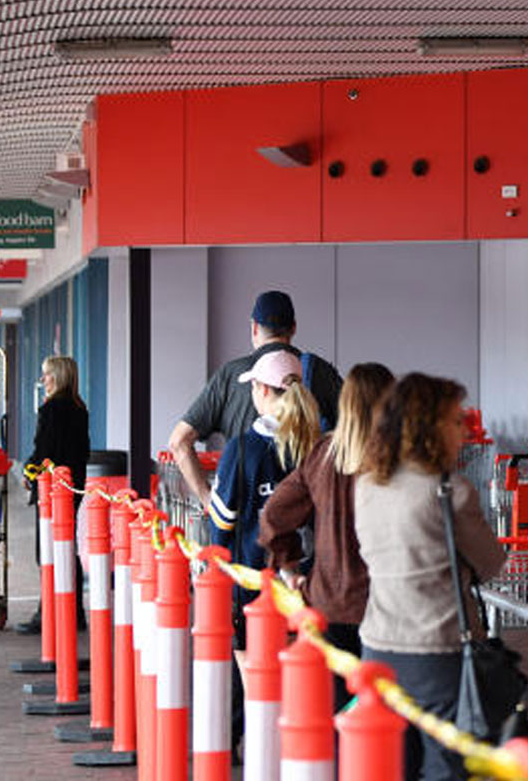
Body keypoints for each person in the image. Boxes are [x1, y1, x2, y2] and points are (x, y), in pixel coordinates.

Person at [355, 373, 506, 781]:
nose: (464, 432)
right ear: (429, 428)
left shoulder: (366, 486)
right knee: (445, 768)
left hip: (378, 646)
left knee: (388, 766)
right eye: (456, 421)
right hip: (439, 651)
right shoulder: (450, 491)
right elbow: (491, 563)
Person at [206, 349, 322, 760]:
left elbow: (222, 520)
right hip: (305, 585)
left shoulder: (243, 450)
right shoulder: (315, 447)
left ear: (261, 390)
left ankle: (261, 758)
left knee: (256, 686)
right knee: (297, 682)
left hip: (250, 584)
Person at [258, 362, 394, 711]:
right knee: (386, 716)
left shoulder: (322, 454)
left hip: (329, 603)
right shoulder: (397, 460)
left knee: (337, 714)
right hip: (388, 608)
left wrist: (290, 569)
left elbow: (274, 515)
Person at [169, 290, 343, 505]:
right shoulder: (319, 372)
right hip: (307, 514)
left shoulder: (230, 375)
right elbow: (355, 438)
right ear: (293, 328)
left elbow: (179, 442)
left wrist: (208, 501)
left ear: (254, 328)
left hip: (243, 516)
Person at [16, 355, 90, 635]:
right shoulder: (79, 409)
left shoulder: (50, 409)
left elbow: (44, 450)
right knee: (67, 547)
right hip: (73, 485)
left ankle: (47, 613)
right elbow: (81, 450)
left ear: (58, 377)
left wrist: (29, 472)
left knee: (46, 551)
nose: (43, 379)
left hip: (51, 489)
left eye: (47, 374)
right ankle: (74, 612)